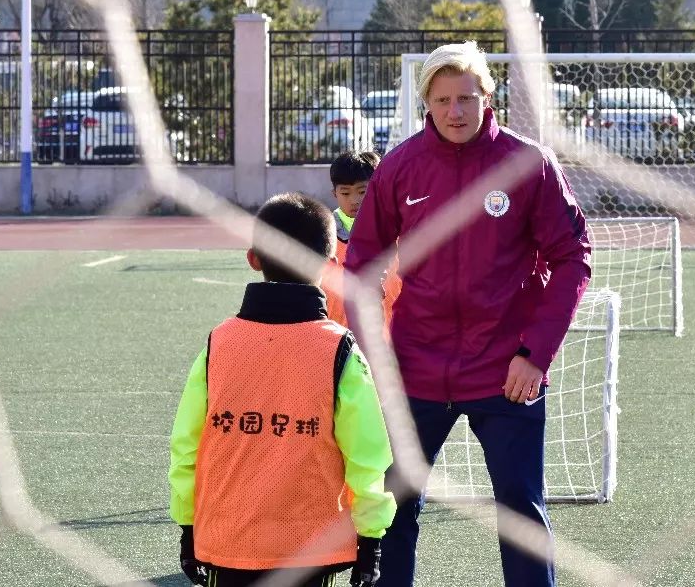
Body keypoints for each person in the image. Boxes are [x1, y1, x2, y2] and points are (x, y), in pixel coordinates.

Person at [344, 42, 592, 587]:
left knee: (520, 513)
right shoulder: (399, 169)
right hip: (416, 369)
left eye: (467, 98)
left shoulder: (529, 166)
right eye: (443, 100)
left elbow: (572, 259)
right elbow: (361, 267)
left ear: (488, 96)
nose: (456, 111)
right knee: (393, 509)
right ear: (426, 104)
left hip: (507, 373)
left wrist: (535, 355)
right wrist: (377, 355)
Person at [168, 192, 397, 587]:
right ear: (330, 267)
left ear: (253, 258)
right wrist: (371, 536)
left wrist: (188, 525)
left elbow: (186, 445)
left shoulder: (218, 344)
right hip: (308, 545)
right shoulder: (339, 349)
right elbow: (367, 455)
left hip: (227, 538)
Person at [324, 150, 401, 328]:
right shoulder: (324, 235)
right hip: (341, 340)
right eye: (345, 193)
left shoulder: (399, 232)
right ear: (334, 193)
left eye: (362, 191)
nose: (355, 200)